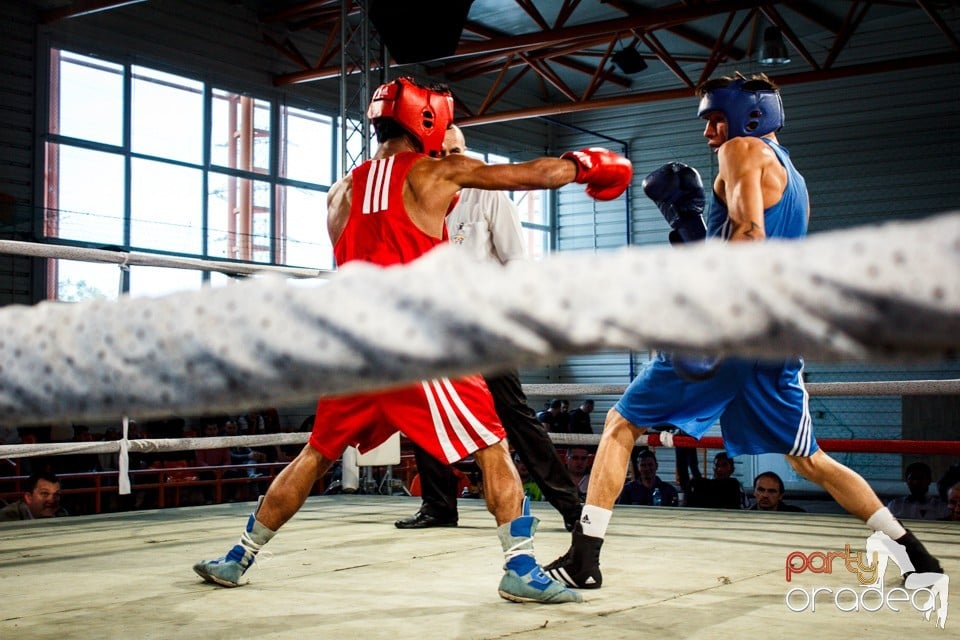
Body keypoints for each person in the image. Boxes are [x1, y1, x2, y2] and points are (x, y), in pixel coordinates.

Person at [193, 76, 631, 604]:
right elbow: (530, 174)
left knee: (316, 453)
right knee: (492, 446)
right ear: (428, 120)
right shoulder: (432, 171)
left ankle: (238, 557)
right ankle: (519, 567)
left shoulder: (343, 190)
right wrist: (584, 164)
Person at [545, 72, 943, 590]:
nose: (710, 131)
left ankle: (584, 558)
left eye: (716, 117)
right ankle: (918, 559)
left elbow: (750, 238)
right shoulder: (793, 176)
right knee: (811, 459)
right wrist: (689, 227)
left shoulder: (739, 151)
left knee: (621, 424)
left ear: (750, 114)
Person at [395, 125, 583, 532]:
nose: (454, 160)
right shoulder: (417, 196)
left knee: (513, 413)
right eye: (444, 153)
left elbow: (516, 260)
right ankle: (439, 506)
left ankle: (571, 506)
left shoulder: (488, 193)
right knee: (427, 412)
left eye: (460, 150)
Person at [0, 472, 69, 521]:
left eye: (56, 494)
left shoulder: (61, 514)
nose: (52, 500)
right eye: (45, 493)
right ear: (28, 498)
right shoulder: (7, 519)